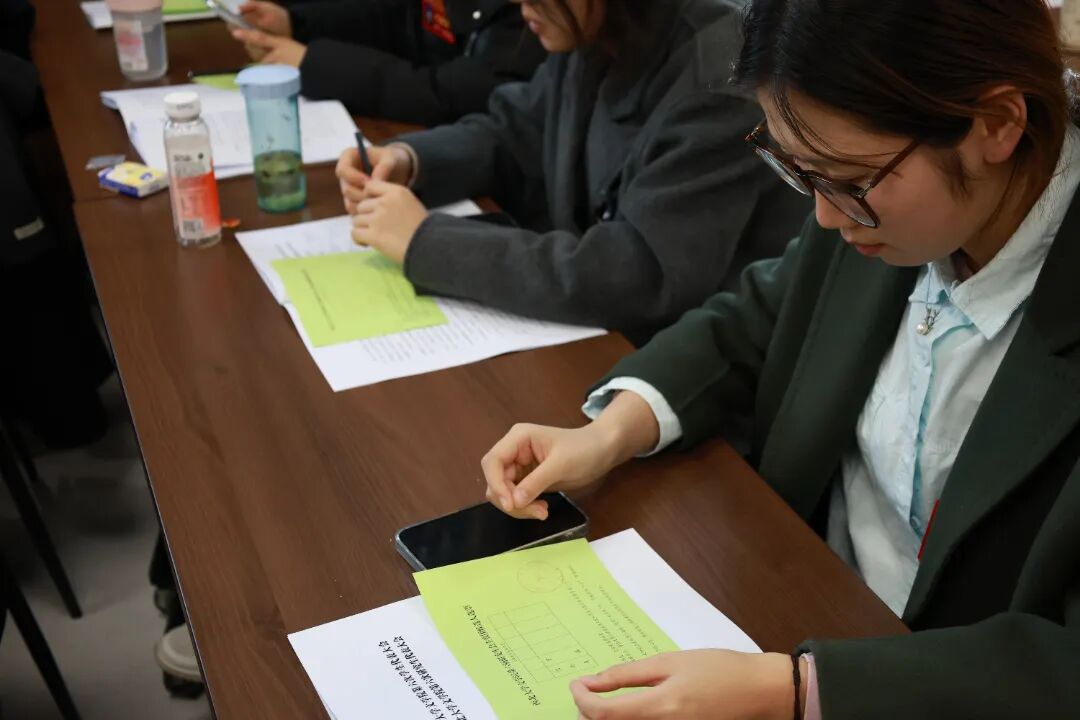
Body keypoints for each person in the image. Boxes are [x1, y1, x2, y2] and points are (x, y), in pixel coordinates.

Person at [478, 0, 1080, 717]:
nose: (824, 216)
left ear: (997, 125)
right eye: (801, 173)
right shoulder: (889, 208)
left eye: (847, 180)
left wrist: (795, 690)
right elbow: (759, 317)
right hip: (800, 596)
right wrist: (610, 432)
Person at [336, 0, 810, 344]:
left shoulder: (718, 80)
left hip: (677, 378)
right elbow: (516, 129)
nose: (517, 6)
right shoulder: (600, 28)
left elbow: (640, 273)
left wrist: (426, 242)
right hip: (603, 340)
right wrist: (410, 159)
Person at [228, 0, 546, 126]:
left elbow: (450, 96)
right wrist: (297, 26)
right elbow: (403, 19)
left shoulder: (533, 18)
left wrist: (314, 63)